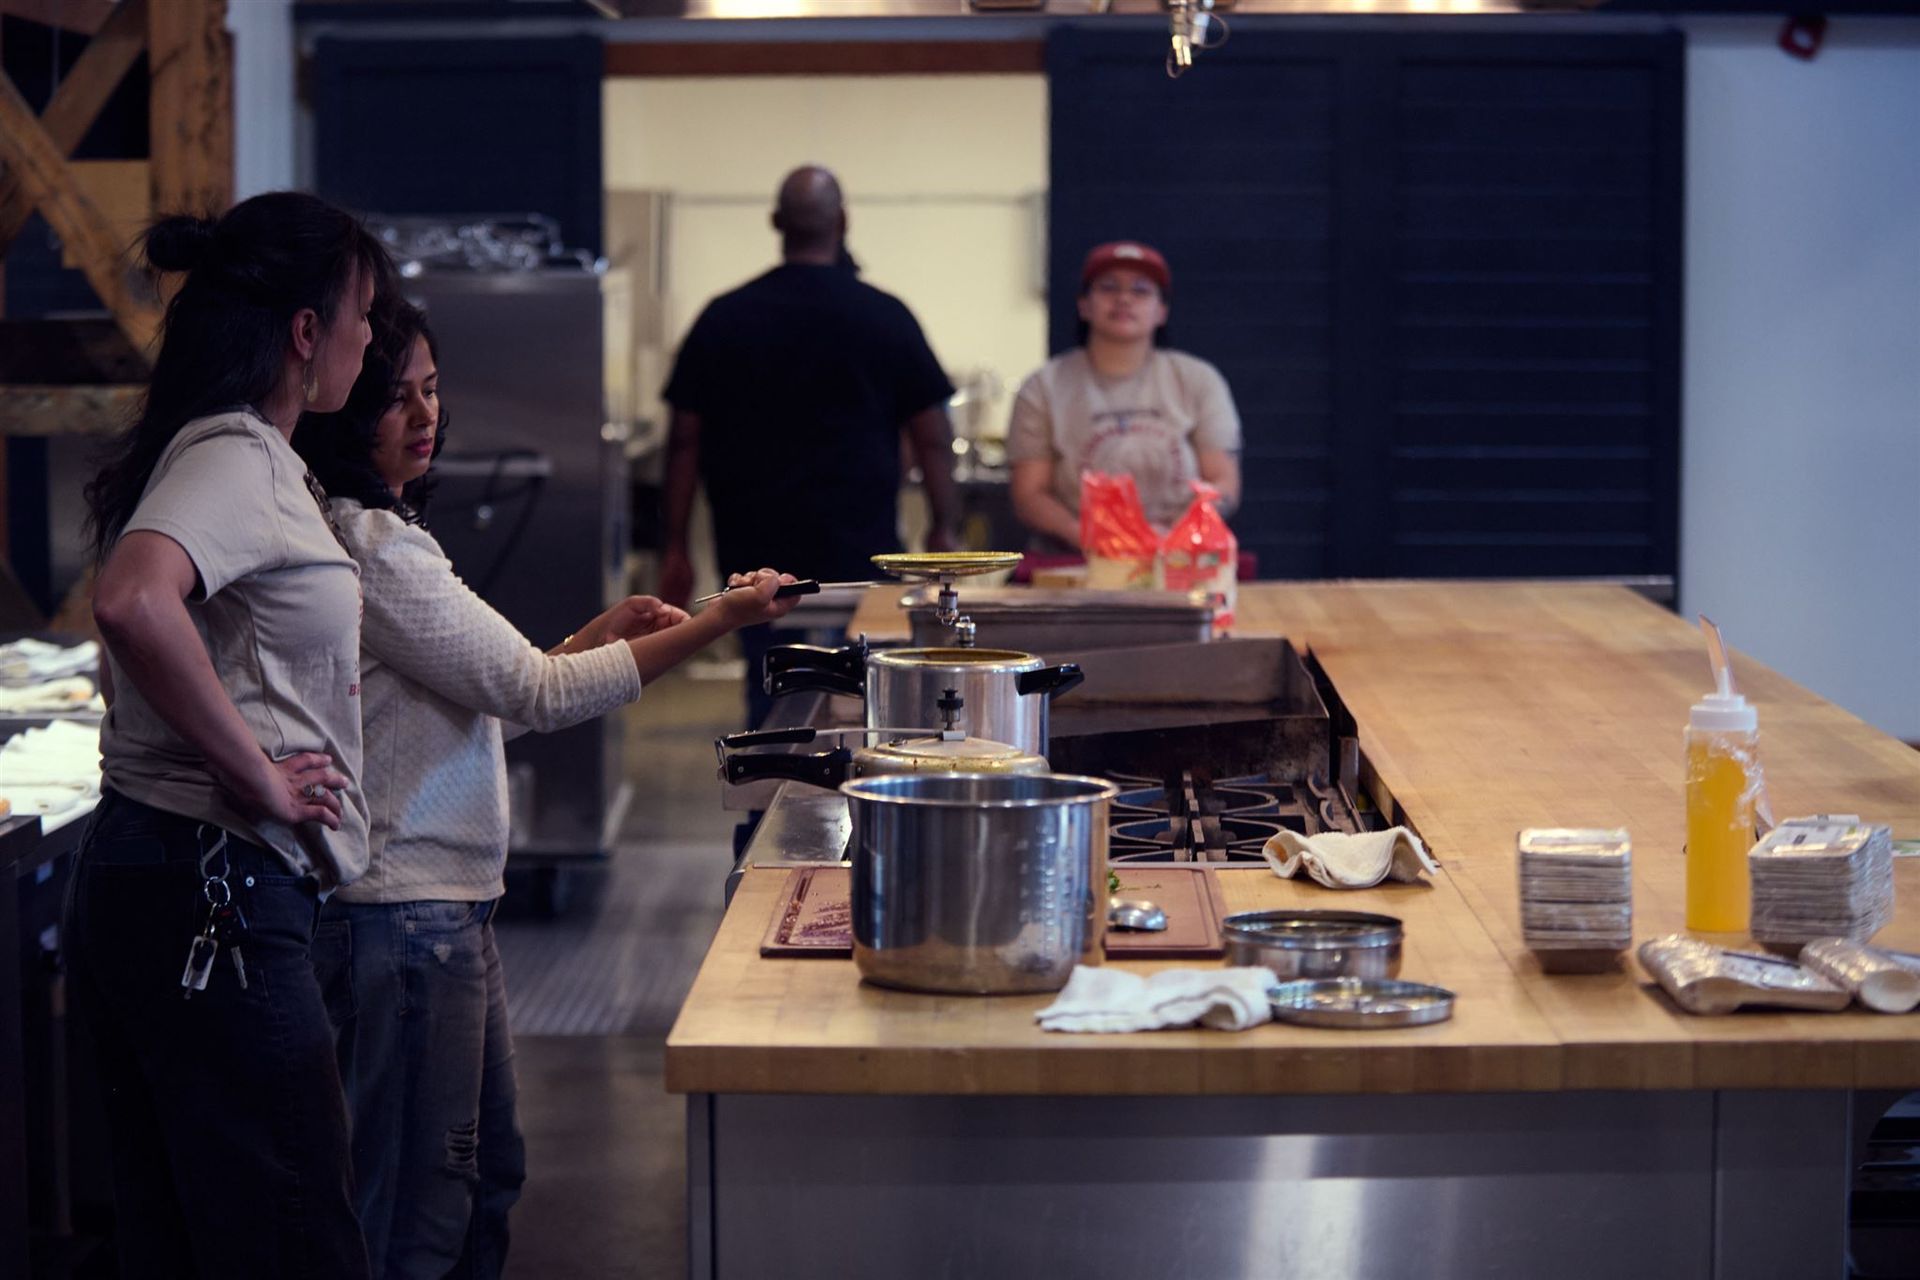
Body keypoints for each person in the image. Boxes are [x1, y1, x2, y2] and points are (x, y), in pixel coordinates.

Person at [294, 297, 798, 1280]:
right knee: (418, 1207)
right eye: (391, 398)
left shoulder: (387, 534)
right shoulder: (370, 544)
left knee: (481, 1177)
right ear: (342, 411)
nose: (422, 416)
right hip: (400, 913)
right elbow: (533, 691)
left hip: (445, 912)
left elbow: (495, 696)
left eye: (432, 390)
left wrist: (590, 641)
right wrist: (720, 619)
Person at [69, 192, 392, 1278]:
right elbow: (132, 601)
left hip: (171, 877)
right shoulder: (238, 458)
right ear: (306, 332)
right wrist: (253, 770)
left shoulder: (243, 457)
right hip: (212, 883)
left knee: (194, 1239)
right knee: (295, 1236)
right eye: (361, 316)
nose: (368, 339)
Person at [659, 164, 959, 724]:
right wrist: (944, 525)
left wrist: (673, 546)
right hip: (860, 554)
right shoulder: (885, 316)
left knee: (771, 704)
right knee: (865, 706)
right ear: (844, 222)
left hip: (754, 565)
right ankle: (858, 806)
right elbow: (933, 436)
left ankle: (767, 801)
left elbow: (682, 443)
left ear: (775, 222)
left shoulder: (724, 318)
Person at [1007, 240, 1243, 552]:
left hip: (1178, 555)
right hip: (1073, 559)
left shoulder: (1199, 379)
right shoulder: (1043, 386)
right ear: (1084, 305)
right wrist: (1085, 535)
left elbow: (1224, 481)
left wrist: (1180, 532)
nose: (1123, 299)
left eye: (1141, 290)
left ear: (1161, 311)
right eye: (1108, 287)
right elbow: (1029, 494)